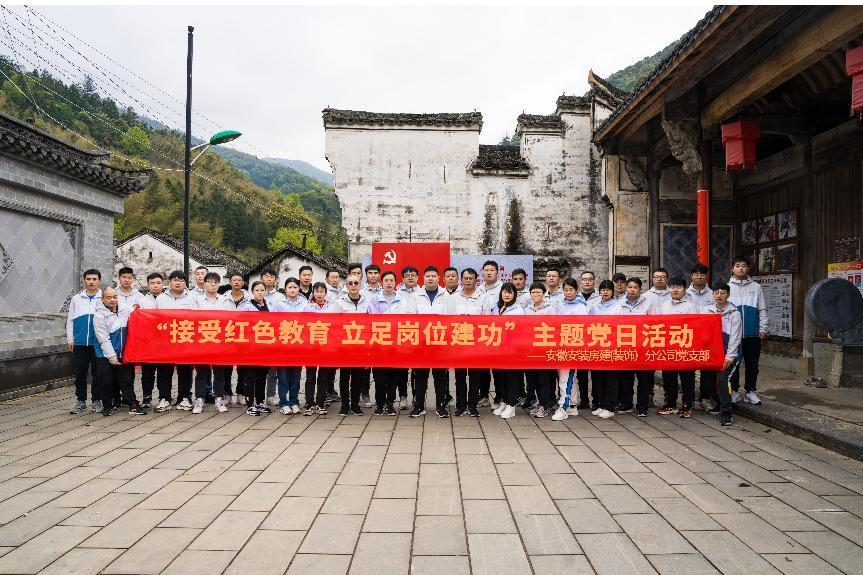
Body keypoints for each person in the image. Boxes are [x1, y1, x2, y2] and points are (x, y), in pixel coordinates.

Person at [367, 270, 417, 415]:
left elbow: (406, 320)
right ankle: (379, 404)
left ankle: (390, 404)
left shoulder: (402, 299)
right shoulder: (374, 299)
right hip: (379, 344)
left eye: (391, 280)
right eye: (386, 280)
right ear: (381, 282)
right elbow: (372, 319)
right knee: (379, 377)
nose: (389, 283)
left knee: (394, 376)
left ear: (396, 283)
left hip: (396, 344)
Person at [93, 287, 145, 416]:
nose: (112, 300)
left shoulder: (125, 309)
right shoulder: (99, 315)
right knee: (106, 381)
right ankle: (107, 406)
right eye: (108, 297)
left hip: (123, 352)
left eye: (114, 297)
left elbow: (139, 315)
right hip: (104, 354)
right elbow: (103, 339)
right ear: (103, 299)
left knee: (126, 380)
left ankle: (133, 405)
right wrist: (111, 356)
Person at [727, 256, 767, 406]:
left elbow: (762, 309)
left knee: (752, 364)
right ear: (732, 268)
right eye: (737, 265)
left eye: (744, 265)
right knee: (734, 364)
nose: (741, 268)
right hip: (733, 334)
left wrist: (763, 328)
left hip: (752, 333)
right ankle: (734, 391)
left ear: (748, 268)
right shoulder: (727, 287)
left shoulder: (756, 287)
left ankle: (750, 391)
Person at [702, 282, 742, 427]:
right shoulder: (707, 311)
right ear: (712, 294)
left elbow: (736, 337)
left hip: (729, 352)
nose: (719, 295)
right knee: (709, 379)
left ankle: (727, 412)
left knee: (724, 379)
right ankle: (718, 404)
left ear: (728, 295)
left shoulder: (735, 313)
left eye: (723, 293)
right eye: (716, 292)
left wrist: (729, 356)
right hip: (712, 351)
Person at [155, 271, 196, 412]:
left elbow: (197, 318)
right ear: (169, 282)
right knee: (164, 370)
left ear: (185, 283)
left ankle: (184, 398)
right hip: (165, 340)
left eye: (181, 280)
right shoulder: (160, 298)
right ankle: (164, 398)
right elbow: (155, 318)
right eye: (174, 280)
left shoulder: (192, 298)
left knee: (185, 371)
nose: (177, 283)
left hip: (185, 339)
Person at [657, 277, 699, 417]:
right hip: (668, 347)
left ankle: (687, 405)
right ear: (669, 289)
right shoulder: (664, 306)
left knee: (687, 378)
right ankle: (670, 404)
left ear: (685, 289)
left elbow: (695, 327)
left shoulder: (691, 307)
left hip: (685, 347)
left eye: (679, 287)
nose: (675, 290)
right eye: (673, 287)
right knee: (669, 377)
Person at [412, 266, 449, 418]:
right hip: (421, 343)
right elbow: (410, 318)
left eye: (434, 276)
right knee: (420, 376)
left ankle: (441, 407)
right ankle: (419, 406)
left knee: (440, 377)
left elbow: (452, 318)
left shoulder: (447, 295)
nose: (431, 278)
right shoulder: (416, 295)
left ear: (439, 278)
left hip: (441, 343)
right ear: (423, 278)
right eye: (428, 276)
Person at [447, 268, 484, 417]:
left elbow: (487, 319)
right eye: (465, 278)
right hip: (459, 342)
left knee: (475, 377)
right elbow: (448, 319)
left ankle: (473, 406)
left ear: (476, 280)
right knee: (460, 376)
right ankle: (461, 405)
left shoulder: (483, 297)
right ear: (461, 280)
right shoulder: (454, 298)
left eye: (471, 278)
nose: (468, 281)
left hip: (476, 343)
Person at [617, 277, 655, 417]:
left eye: (635, 287)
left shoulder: (648, 303)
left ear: (640, 289)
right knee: (626, 378)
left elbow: (654, 323)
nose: (632, 290)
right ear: (626, 288)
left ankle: (642, 406)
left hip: (643, 346)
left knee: (644, 378)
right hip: (626, 346)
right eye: (630, 287)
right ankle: (627, 403)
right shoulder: (619, 304)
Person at [191, 272, 228, 414]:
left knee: (219, 373)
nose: (212, 284)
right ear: (204, 284)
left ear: (219, 284)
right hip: (202, 341)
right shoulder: (197, 300)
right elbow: (193, 319)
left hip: (219, 341)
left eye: (215, 282)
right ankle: (199, 399)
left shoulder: (224, 300)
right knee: (201, 372)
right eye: (210, 282)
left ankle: (219, 399)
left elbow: (228, 320)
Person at [552, 278, 588, 421]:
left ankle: (563, 406)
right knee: (565, 377)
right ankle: (572, 405)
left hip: (573, 346)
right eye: (565, 290)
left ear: (576, 290)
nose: (568, 293)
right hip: (561, 345)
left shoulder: (582, 307)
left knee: (566, 378)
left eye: (571, 290)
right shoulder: (559, 305)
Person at [334, 275, 369, 416]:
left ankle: (355, 404)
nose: (353, 285)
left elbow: (371, 322)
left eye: (356, 283)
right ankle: (344, 405)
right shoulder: (340, 303)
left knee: (358, 376)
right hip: (345, 346)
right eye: (350, 283)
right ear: (346, 286)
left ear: (360, 285)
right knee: (344, 376)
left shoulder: (367, 302)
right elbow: (335, 324)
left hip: (361, 346)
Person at [68, 269, 102, 414]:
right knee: (80, 373)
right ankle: (80, 401)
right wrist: (71, 338)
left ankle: (96, 400)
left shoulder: (103, 297)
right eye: (88, 279)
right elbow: (70, 320)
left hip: (98, 342)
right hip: (80, 342)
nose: (91, 282)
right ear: (84, 280)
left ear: (99, 280)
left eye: (94, 279)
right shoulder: (76, 299)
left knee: (97, 373)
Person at [270, 277, 306, 415]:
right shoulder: (279, 305)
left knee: (296, 376)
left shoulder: (305, 304)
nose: (292, 290)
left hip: (298, 345)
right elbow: (273, 324)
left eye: (295, 287)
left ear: (299, 289)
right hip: (283, 346)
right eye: (290, 287)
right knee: (283, 376)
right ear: (285, 289)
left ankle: (294, 401)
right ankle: (284, 403)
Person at [488, 283, 524, 419]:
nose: (507, 295)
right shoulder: (497, 308)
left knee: (511, 377)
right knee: (500, 377)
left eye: (510, 292)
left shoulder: (518, 310)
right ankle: (504, 401)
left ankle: (511, 405)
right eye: (504, 292)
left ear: (514, 294)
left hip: (512, 350)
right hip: (498, 349)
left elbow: (520, 330)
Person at [238, 281, 272, 416]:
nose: (260, 292)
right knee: (250, 377)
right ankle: (250, 404)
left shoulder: (270, 306)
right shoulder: (246, 307)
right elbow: (241, 326)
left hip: (265, 348)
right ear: (252, 292)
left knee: (262, 376)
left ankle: (260, 401)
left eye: (262, 290)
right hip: (250, 348)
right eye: (257, 290)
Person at [589, 280, 621, 419]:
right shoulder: (595, 306)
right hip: (597, 345)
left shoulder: (617, 307)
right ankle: (601, 404)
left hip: (611, 345)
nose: (605, 292)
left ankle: (610, 406)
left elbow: (619, 326)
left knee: (610, 378)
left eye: (608, 290)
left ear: (612, 292)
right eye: (603, 289)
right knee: (598, 378)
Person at [303, 282, 336, 415]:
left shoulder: (332, 307)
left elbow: (335, 326)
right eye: (317, 291)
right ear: (313, 293)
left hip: (326, 347)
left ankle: (320, 403)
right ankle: (309, 403)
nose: (319, 294)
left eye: (322, 291)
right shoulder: (307, 307)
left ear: (325, 293)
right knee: (310, 376)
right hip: (311, 347)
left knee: (323, 376)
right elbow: (303, 326)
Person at [524, 282, 555, 418]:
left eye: (539, 292)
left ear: (544, 293)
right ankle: (539, 402)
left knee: (544, 378)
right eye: (533, 292)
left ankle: (544, 406)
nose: (536, 294)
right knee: (533, 379)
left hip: (544, 349)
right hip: (530, 349)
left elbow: (554, 328)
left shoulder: (550, 309)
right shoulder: (527, 309)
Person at [138, 272, 169, 408]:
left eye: (158, 283)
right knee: (147, 371)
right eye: (152, 283)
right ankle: (147, 397)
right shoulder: (142, 301)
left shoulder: (168, 299)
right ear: (148, 285)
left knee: (164, 371)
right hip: (148, 341)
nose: (155, 286)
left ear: (163, 284)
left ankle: (164, 397)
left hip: (164, 341)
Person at [219, 273, 250, 406]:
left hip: (244, 336)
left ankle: (241, 393)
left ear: (243, 283)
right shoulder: (223, 298)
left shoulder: (250, 298)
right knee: (226, 367)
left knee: (243, 367)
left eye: (239, 280)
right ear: (230, 282)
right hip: (227, 336)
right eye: (234, 280)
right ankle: (227, 393)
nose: (236, 282)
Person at [687, 263, 714, 410]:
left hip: (707, 336)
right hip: (689, 336)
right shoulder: (685, 294)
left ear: (706, 276)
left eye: (702, 274)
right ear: (691, 276)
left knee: (706, 368)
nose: (699, 276)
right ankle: (689, 398)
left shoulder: (713, 294)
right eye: (696, 274)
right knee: (689, 368)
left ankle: (705, 397)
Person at [476, 260, 501, 407]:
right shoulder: (478, 289)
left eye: (492, 270)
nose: (489, 272)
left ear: (497, 272)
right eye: (486, 270)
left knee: (497, 367)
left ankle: (499, 397)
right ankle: (483, 396)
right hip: (481, 332)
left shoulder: (503, 288)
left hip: (497, 331)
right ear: (482, 273)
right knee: (482, 366)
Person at [396, 266, 421, 410]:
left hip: (418, 335)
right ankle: (403, 396)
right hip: (401, 334)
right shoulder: (397, 293)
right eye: (407, 275)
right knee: (402, 369)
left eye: (413, 275)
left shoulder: (422, 292)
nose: (410, 277)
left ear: (417, 277)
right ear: (403, 278)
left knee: (417, 369)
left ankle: (417, 396)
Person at [359, 264, 382, 407]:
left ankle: (381, 397)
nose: (373, 275)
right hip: (365, 334)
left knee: (379, 367)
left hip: (381, 333)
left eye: (375, 273)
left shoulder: (385, 291)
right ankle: (365, 394)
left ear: (379, 275)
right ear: (366, 275)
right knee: (365, 368)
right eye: (370, 273)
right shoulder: (361, 292)